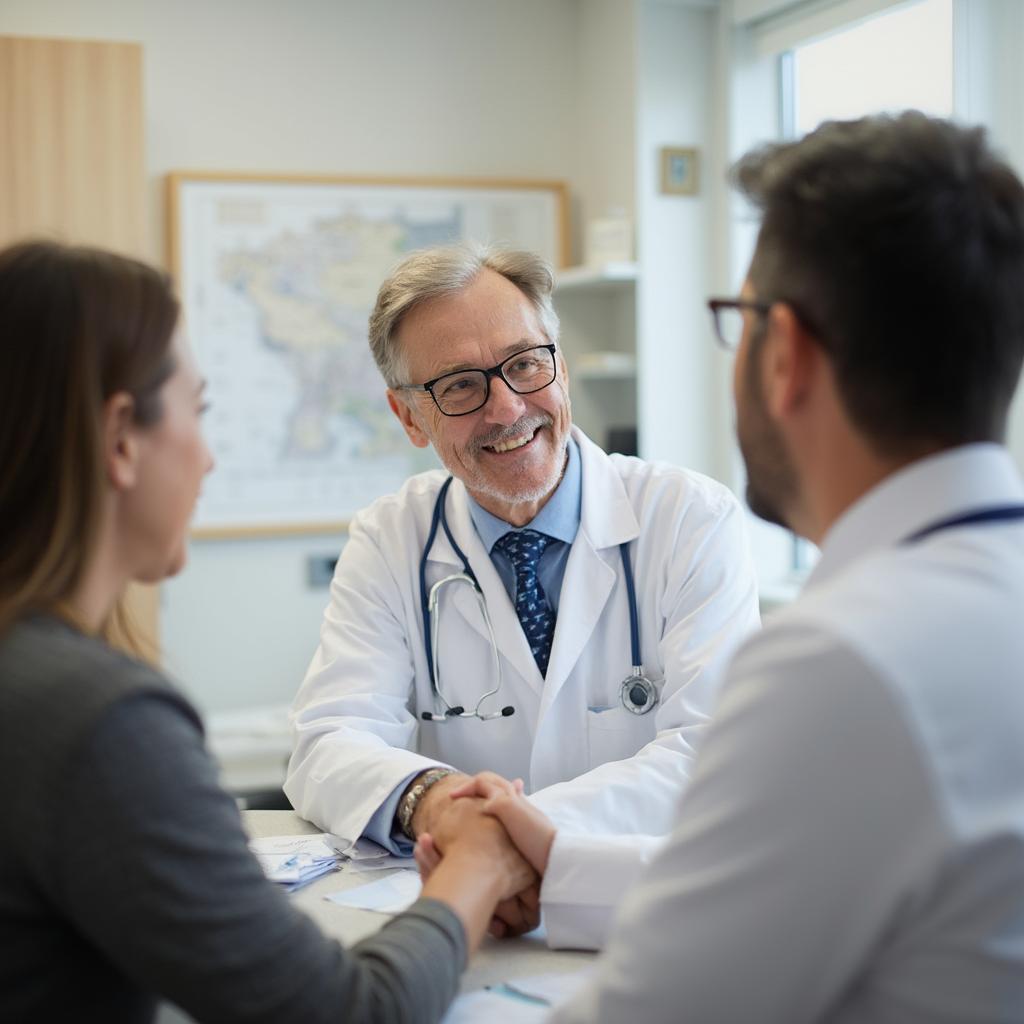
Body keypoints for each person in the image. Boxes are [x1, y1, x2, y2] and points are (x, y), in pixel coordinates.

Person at [420, 112, 1024, 1021]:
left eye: (737, 321)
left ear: (784, 355)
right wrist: (568, 865)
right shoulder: (974, 603)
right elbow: (817, 877)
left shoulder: (845, 662)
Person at [0, 240, 532, 1024]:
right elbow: (351, 1013)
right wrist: (479, 864)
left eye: (525, 364)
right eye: (199, 410)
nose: (209, 459)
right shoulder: (96, 722)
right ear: (120, 440)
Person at [284, 243, 760, 878]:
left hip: (647, 906)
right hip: (473, 911)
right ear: (409, 416)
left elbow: (717, 751)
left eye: (526, 364)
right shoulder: (390, 539)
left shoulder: (691, 518)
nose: (507, 408)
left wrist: (507, 838)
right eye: (458, 385)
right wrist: (437, 806)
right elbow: (330, 740)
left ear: (560, 366)